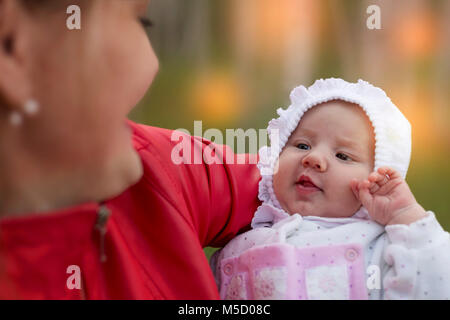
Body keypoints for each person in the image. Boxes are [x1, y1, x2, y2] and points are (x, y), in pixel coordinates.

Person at [0, 0, 260, 299]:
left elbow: (302, 177)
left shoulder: (158, 169)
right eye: (138, 22)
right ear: (13, 46)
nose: (151, 65)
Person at [211, 78, 450, 300]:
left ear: (377, 176)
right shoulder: (239, 246)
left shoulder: (382, 246)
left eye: (343, 156)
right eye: (302, 145)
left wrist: (405, 215)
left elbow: (436, 283)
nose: (314, 158)